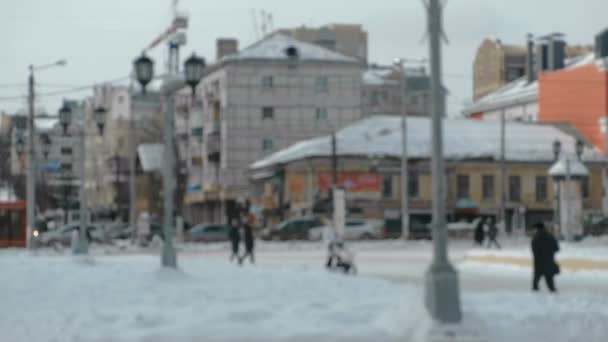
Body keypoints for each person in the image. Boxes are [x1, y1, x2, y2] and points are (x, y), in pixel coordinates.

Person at [531, 222, 560, 292]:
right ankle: (552, 290)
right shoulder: (550, 236)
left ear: (536, 229)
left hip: (538, 261)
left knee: (536, 279)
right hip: (549, 261)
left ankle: (535, 291)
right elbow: (557, 248)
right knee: (549, 278)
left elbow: (534, 249)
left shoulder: (536, 238)